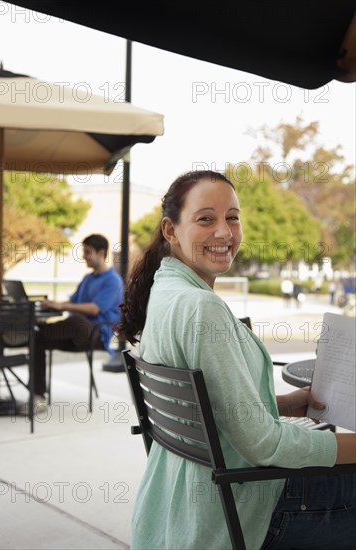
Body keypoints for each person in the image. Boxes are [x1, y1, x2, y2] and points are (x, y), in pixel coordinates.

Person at [117, 170, 356, 550]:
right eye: (206, 218)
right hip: (238, 512)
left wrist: (282, 404)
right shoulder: (200, 308)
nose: (225, 233)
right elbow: (264, 446)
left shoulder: (166, 290)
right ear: (170, 229)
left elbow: (206, 412)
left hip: (184, 504)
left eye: (233, 217)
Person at [33, 234, 124, 405]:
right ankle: (38, 396)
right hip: (74, 333)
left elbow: (95, 308)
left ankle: (37, 329)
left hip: (95, 335)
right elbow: (72, 302)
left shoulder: (113, 281)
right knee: (37, 340)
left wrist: (62, 307)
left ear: (101, 253)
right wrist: (54, 304)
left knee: (77, 321)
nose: (83, 256)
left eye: (87, 252)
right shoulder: (87, 278)